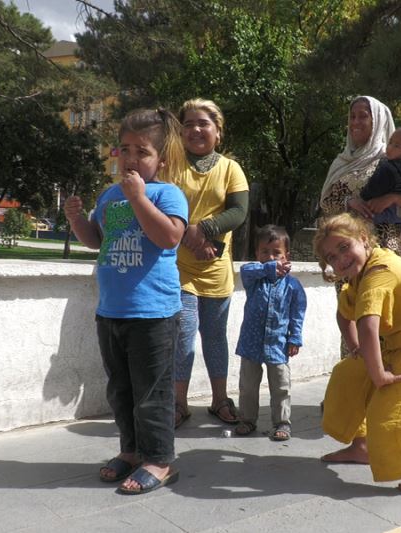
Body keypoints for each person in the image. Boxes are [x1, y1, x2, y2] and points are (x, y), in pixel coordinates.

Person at [64, 108, 188, 494]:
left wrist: (139, 199)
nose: (131, 159)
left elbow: (169, 237)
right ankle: (132, 452)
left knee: (152, 393)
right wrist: (75, 219)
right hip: (112, 311)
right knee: (121, 390)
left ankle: (160, 460)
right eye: (125, 149)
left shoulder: (167, 193)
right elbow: (97, 241)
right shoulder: (109, 195)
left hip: (154, 313)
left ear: (161, 159)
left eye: (143, 151)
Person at [314, 213, 401, 496]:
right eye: (331, 256)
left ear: (364, 240)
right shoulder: (356, 278)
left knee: (388, 418)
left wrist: (378, 375)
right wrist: (356, 352)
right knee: (348, 374)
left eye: (344, 247)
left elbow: (368, 325)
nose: (340, 259)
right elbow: (345, 317)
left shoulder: (379, 273)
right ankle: (362, 446)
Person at [173, 98, 249, 429]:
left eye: (203, 123)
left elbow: (238, 212)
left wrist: (204, 232)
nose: (195, 130)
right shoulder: (169, 166)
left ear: (218, 131)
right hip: (178, 267)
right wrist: (187, 237)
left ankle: (220, 400)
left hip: (216, 266)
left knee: (215, 335)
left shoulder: (231, 168)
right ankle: (178, 403)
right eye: (188, 124)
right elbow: (157, 209)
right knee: (183, 334)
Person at [319, 96, 401, 259]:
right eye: (352, 116)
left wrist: (392, 198)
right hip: (346, 256)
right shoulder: (341, 162)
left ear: (377, 121)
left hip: (385, 253)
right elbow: (327, 204)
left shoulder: (393, 158)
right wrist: (349, 202)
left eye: (363, 116)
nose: (355, 122)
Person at [234, 225, 307, 441]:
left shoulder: (293, 286)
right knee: (248, 386)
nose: (270, 257)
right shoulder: (253, 279)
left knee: (281, 386)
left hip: (278, 344)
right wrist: (268, 268)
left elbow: (297, 314)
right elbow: (245, 270)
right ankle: (247, 419)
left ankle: (282, 423)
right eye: (265, 252)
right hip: (250, 344)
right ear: (257, 254)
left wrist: (295, 338)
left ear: (286, 256)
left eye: (276, 253)